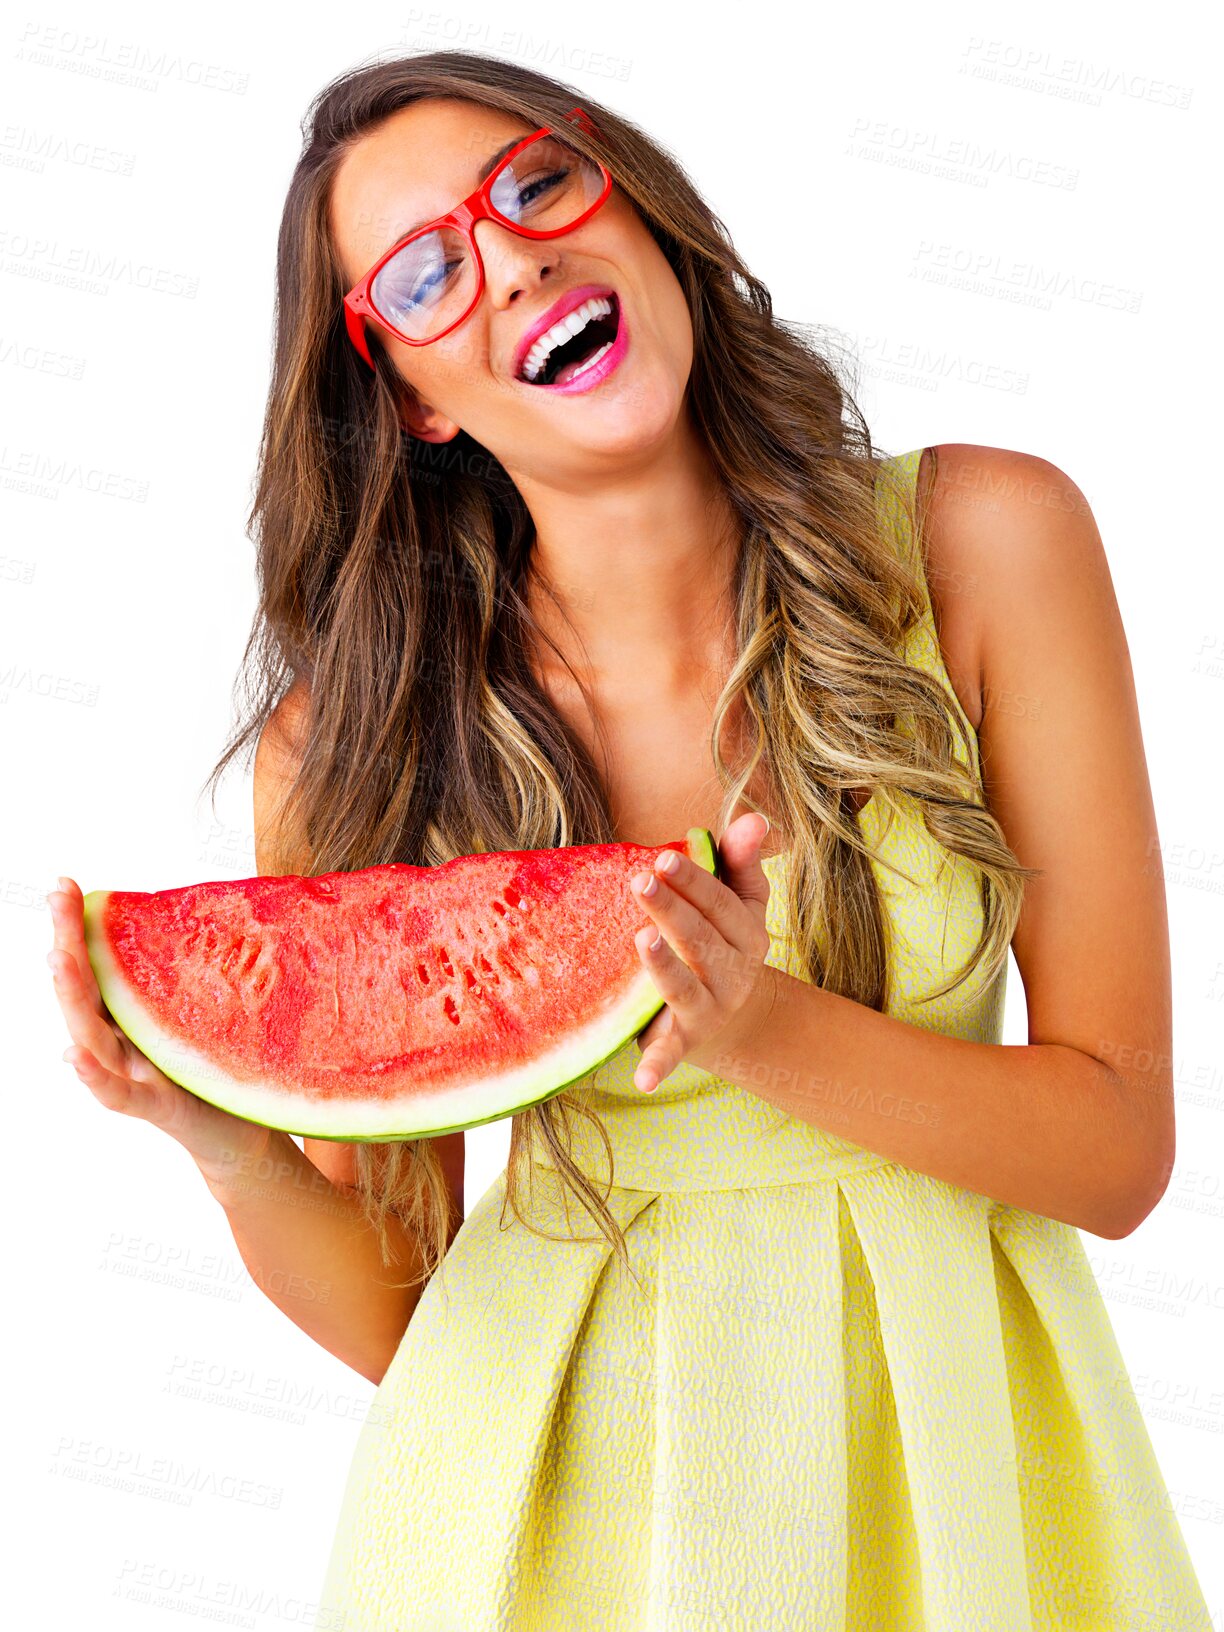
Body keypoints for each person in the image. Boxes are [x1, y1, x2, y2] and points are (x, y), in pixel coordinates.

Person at [47, 50, 1212, 1632]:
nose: (514, 258)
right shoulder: (355, 744)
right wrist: (227, 1142)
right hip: (534, 1528)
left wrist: (766, 1029)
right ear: (409, 393)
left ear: (639, 214)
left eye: (535, 188)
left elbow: (1119, 1150)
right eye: (427, 273)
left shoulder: (988, 546)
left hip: (955, 1481)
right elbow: (402, 1310)